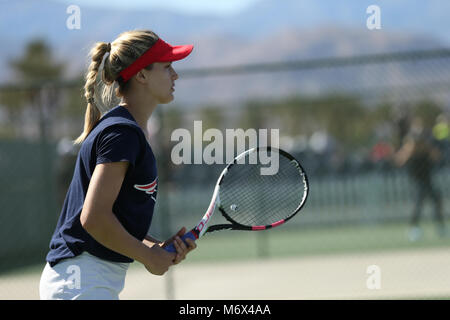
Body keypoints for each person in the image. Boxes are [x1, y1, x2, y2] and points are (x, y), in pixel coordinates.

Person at [39, 30, 197, 300]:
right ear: (142, 75)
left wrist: (155, 248)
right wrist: (148, 256)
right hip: (81, 281)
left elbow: (110, 219)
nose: (175, 75)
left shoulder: (126, 131)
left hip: (83, 281)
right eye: (167, 67)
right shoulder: (122, 133)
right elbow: (94, 218)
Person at [394, 116, 446, 241]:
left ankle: (440, 227)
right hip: (416, 179)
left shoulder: (427, 143)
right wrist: (410, 148)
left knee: (436, 200)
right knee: (418, 202)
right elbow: (399, 160)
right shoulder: (409, 143)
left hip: (427, 178)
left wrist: (427, 147)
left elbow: (437, 157)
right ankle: (414, 228)